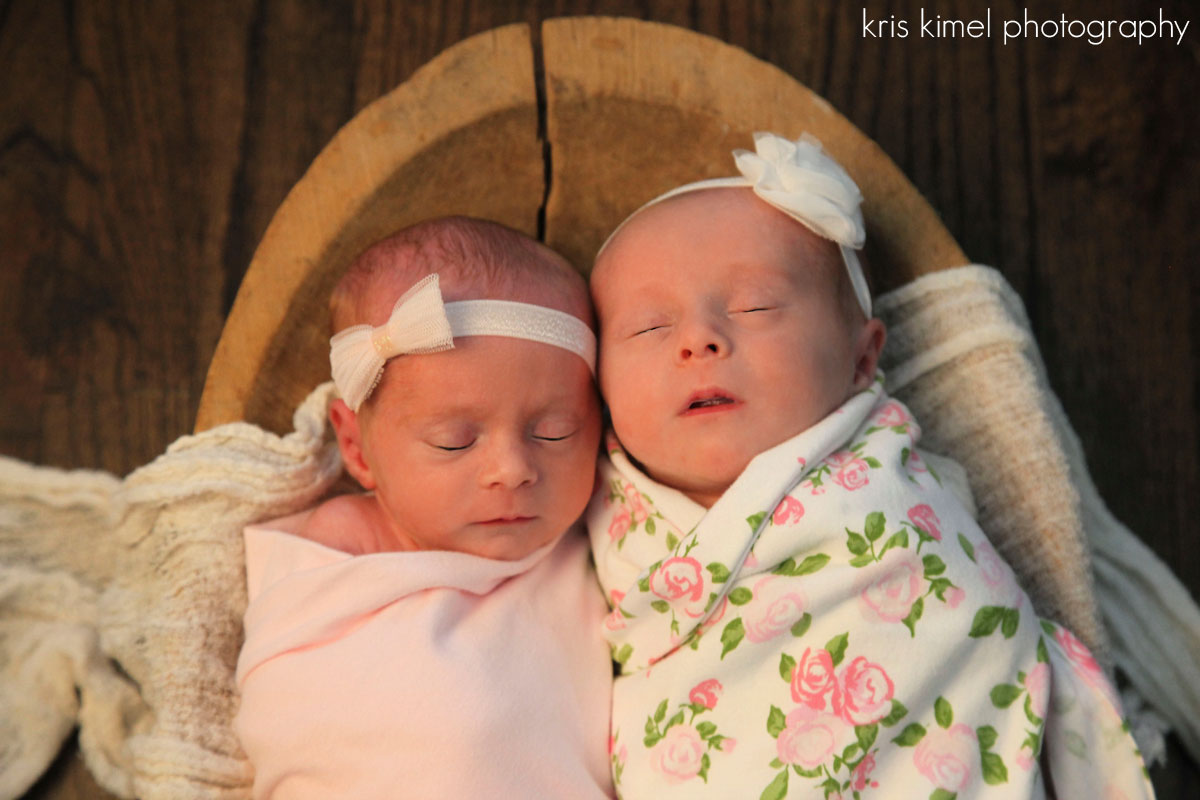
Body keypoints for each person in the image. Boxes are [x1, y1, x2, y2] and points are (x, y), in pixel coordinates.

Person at [587, 133, 1153, 798]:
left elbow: (964, 627)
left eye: (755, 305)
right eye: (649, 327)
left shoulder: (887, 490)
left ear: (861, 359)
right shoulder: (579, 505)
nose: (699, 339)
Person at [234, 216, 613, 799]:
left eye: (556, 432)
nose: (512, 469)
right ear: (356, 448)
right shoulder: (344, 543)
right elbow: (291, 709)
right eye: (454, 442)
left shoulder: (606, 538)